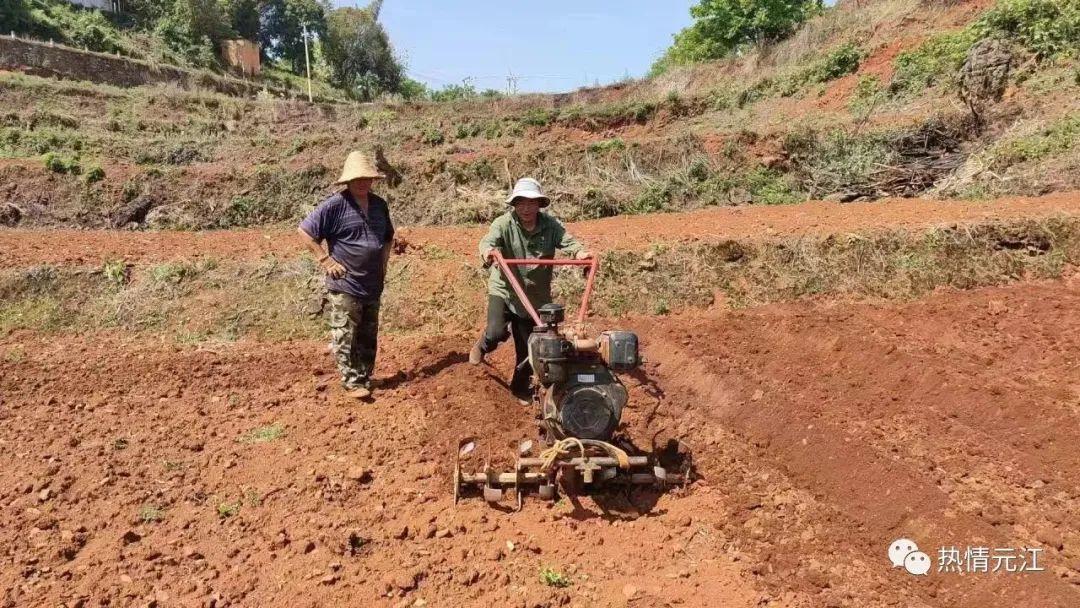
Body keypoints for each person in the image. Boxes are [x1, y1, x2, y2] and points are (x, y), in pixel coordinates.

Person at [470, 178, 593, 403]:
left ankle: (519, 388)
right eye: (521, 203)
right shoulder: (503, 223)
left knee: (530, 347)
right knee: (496, 331)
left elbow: (568, 241)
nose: (526, 208)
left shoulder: (549, 225)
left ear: (539, 204)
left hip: (535, 296)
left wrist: (580, 254)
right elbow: (488, 240)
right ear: (514, 204)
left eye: (531, 203)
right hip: (506, 288)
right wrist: (488, 251)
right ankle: (482, 345)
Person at [298, 151, 394, 400]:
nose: (363, 182)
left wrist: (383, 266)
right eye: (358, 178)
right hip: (346, 283)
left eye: (367, 178)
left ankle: (364, 376)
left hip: (373, 282)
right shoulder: (334, 206)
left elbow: (387, 239)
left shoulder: (379, 205)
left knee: (368, 333)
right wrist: (326, 260)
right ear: (348, 181)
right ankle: (351, 381)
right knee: (345, 333)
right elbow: (305, 232)